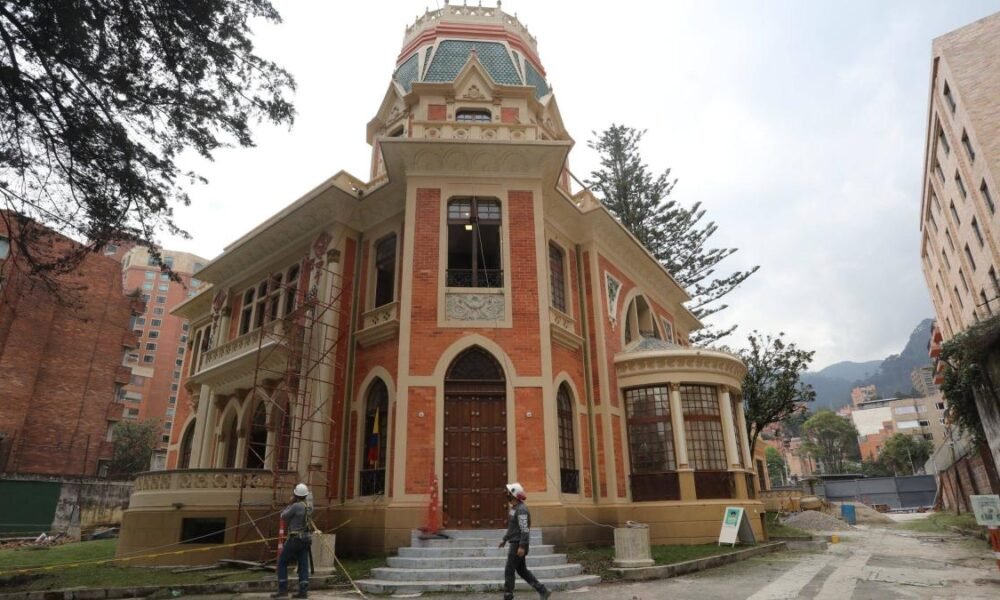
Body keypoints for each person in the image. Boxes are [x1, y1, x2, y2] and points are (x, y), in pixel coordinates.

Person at [498, 482, 551, 600]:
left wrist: (522, 546)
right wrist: (504, 539)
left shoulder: (521, 510)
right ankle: (543, 590)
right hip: (515, 542)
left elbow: (524, 529)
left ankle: (508, 595)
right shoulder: (514, 509)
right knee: (522, 570)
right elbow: (512, 528)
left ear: (514, 495)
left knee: (509, 569)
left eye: (509, 493)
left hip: (518, 544)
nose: (507, 495)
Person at [273, 483, 313, 599]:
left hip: (295, 539)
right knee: (303, 564)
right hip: (306, 539)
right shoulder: (309, 506)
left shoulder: (295, 506)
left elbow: (283, 516)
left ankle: (282, 589)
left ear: (295, 494)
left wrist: (290, 504)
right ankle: (303, 591)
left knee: (282, 562)